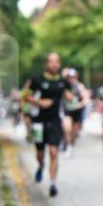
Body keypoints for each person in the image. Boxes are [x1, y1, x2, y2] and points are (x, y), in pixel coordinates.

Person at [22, 53, 73, 198]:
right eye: (51, 62)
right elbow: (25, 96)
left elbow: (70, 96)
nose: (54, 65)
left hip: (55, 120)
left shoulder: (64, 81)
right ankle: (41, 165)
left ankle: (52, 184)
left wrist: (70, 96)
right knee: (40, 152)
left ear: (60, 64)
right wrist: (39, 102)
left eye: (57, 62)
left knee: (53, 151)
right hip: (38, 121)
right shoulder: (37, 80)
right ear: (46, 64)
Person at [62, 69, 91, 156]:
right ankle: (66, 145)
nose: (72, 78)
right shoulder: (64, 86)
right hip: (67, 111)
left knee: (73, 131)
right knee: (67, 129)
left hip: (77, 111)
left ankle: (71, 146)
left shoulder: (80, 86)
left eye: (73, 77)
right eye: (70, 77)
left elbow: (86, 98)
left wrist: (80, 104)